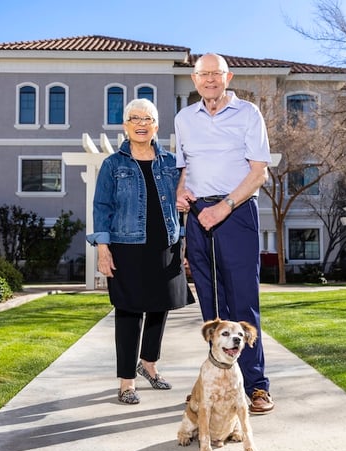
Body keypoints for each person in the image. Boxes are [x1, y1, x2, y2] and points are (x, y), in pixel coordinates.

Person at [175, 53, 274, 415]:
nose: (210, 80)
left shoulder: (248, 113)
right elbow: (183, 169)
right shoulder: (185, 118)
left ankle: (257, 386)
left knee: (243, 302)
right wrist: (180, 193)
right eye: (204, 75)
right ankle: (214, 385)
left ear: (227, 77)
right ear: (194, 79)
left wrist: (225, 206)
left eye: (216, 74)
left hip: (236, 212)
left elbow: (259, 172)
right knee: (212, 309)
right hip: (199, 215)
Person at [87, 98, 192, 405]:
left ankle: (149, 365)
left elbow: (182, 201)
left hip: (166, 246)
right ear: (126, 125)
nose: (141, 124)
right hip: (127, 247)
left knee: (161, 306)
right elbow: (101, 207)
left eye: (148, 119)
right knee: (129, 311)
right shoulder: (112, 165)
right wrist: (103, 249)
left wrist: (183, 241)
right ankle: (126, 382)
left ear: (156, 126)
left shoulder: (171, 162)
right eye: (135, 118)